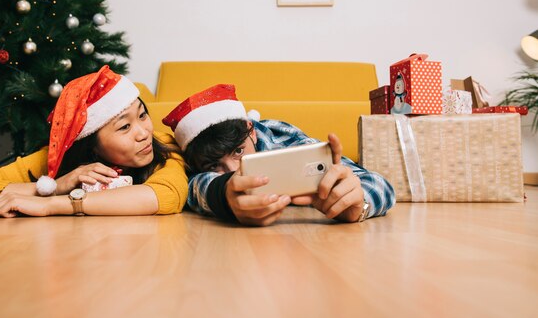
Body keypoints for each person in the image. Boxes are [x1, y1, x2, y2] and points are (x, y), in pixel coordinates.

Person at [0, 66, 187, 217]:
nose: (143, 132)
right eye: (124, 127)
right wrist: (54, 185)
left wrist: (53, 204)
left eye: (143, 116)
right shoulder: (54, 160)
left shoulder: (162, 146)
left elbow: (165, 196)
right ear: (91, 144)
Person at [162, 84, 395, 226]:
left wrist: (358, 204)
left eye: (238, 151)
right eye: (214, 165)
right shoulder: (192, 164)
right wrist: (222, 193)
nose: (233, 171)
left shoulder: (283, 140)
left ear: (251, 131)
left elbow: (381, 186)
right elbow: (191, 186)